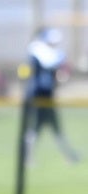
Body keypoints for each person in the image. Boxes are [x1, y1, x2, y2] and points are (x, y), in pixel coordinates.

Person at [19, 27, 80, 164]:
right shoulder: (38, 51)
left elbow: (58, 74)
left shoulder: (52, 54)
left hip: (47, 97)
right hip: (38, 97)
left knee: (50, 128)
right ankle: (28, 158)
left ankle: (69, 156)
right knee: (38, 128)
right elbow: (48, 64)